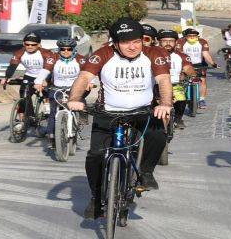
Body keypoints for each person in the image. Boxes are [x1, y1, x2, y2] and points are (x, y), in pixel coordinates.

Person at [66, 18, 173, 219]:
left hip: (142, 112)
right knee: (95, 155)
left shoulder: (154, 54)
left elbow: (163, 80)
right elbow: (84, 78)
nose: (132, 47)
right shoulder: (102, 54)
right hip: (108, 113)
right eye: (125, 42)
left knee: (158, 134)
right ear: (114, 43)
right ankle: (96, 198)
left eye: (136, 41)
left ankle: (146, 172)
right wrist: (74, 99)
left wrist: (165, 104)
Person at [33, 38, 91, 149]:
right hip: (56, 88)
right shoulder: (53, 58)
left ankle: (80, 119)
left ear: (73, 49)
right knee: (53, 112)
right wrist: (38, 81)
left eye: (69, 49)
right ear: (59, 49)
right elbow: (45, 70)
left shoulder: (81, 59)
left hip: (74, 89)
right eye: (63, 49)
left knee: (80, 102)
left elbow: (88, 71)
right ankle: (52, 136)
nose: (66, 51)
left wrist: (90, 82)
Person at [0, 32, 52, 130]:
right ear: (24, 44)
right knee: (23, 97)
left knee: (47, 93)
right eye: (27, 44)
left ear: (39, 45)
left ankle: (47, 107)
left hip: (45, 75)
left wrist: (46, 80)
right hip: (29, 76)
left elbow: (51, 67)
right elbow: (12, 66)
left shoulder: (46, 53)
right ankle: (26, 120)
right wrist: (7, 78)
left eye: (33, 45)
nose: (30, 46)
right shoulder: (19, 53)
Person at [157, 29, 197, 129]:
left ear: (175, 43)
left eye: (171, 41)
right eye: (165, 41)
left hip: (175, 84)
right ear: (159, 42)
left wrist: (190, 74)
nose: (168, 43)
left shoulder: (181, 56)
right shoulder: (153, 54)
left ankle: (178, 119)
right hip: (157, 86)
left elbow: (188, 68)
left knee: (182, 99)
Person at [175, 28, 218, 109]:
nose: (192, 37)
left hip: (199, 64)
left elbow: (205, 54)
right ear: (186, 36)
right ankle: (180, 95)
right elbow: (179, 54)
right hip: (185, 64)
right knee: (181, 80)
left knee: (203, 81)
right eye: (190, 36)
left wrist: (213, 63)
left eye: (194, 36)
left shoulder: (202, 42)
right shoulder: (180, 42)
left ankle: (202, 100)